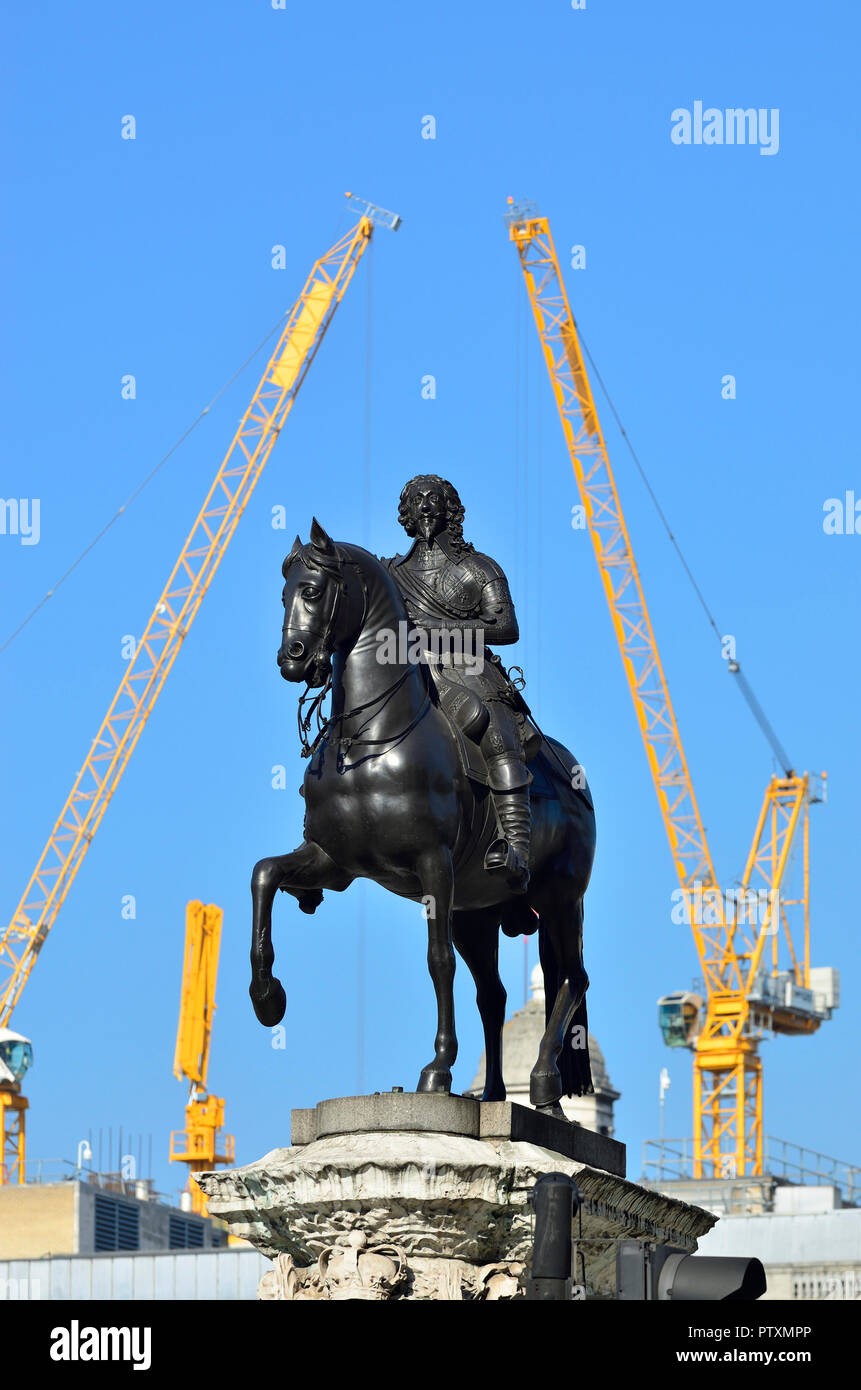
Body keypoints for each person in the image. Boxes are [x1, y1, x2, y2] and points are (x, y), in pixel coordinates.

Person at [381, 475, 532, 892]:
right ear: (406, 514)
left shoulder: (479, 568)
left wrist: (437, 627)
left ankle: (517, 848)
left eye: (433, 500)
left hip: (469, 668)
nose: (425, 507)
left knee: (498, 734)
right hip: (406, 668)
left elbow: (506, 626)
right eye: (416, 501)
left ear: (449, 509)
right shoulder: (389, 573)